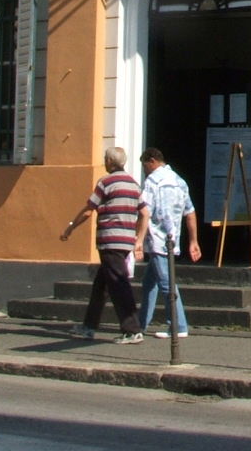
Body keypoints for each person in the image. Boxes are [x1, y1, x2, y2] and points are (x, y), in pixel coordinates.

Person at [60, 147, 149, 345]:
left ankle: (132, 330)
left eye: (105, 159)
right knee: (101, 285)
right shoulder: (134, 184)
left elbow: (89, 210)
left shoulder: (106, 182)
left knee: (119, 284)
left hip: (110, 240)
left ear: (109, 161)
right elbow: (145, 214)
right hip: (125, 241)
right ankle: (89, 326)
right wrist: (139, 239)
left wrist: (70, 228)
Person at [137, 146, 202, 338]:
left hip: (157, 240)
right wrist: (193, 241)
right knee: (150, 283)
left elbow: (145, 212)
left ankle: (178, 326)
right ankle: (140, 323)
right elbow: (190, 213)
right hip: (173, 239)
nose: (144, 170)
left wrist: (138, 240)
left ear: (152, 161)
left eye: (144, 166)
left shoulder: (152, 181)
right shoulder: (179, 181)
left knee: (167, 283)